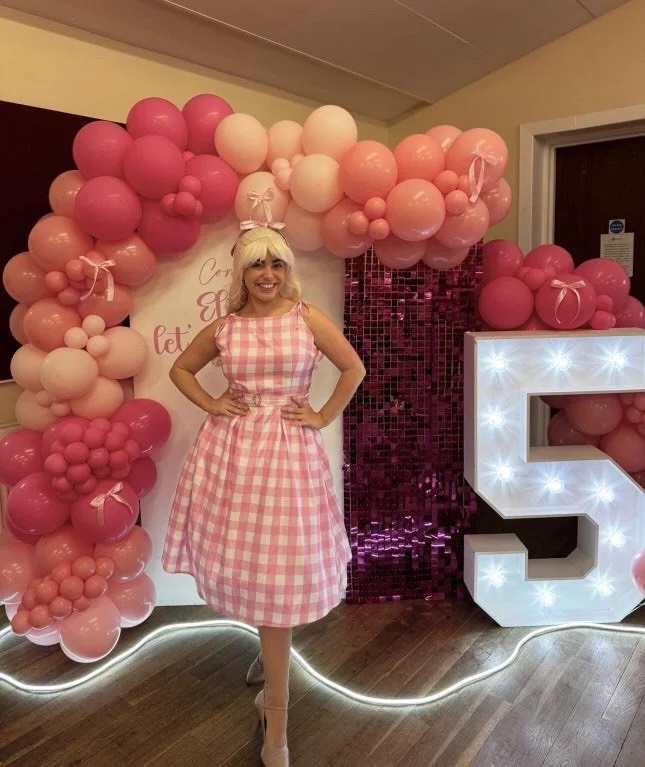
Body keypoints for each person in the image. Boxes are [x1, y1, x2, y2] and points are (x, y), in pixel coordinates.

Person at [162, 221, 365, 766]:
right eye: (257, 264)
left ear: (287, 271)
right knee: (252, 562)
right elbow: (182, 369)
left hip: (288, 455)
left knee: (279, 567)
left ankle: (276, 721)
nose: (268, 275)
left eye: (277, 264)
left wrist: (321, 414)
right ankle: (269, 669)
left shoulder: (307, 319)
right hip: (230, 453)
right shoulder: (227, 326)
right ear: (242, 273)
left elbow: (352, 367)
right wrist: (212, 403)